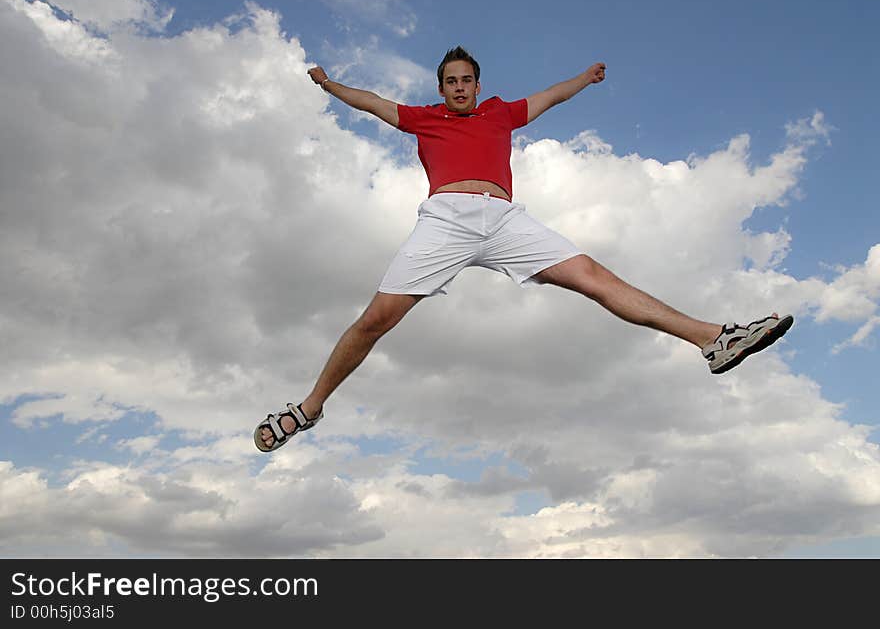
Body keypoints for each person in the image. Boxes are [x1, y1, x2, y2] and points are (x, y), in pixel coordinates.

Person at [254, 46, 793, 452]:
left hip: (506, 219)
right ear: (440, 88)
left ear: (478, 84)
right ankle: (309, 408)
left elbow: (552, 95)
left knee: (594, 276)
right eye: (451, 82)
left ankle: (714, 341)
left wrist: (585, 78)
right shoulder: (424, 118)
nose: (459, 88)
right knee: (375, 320)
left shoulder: (499, 112)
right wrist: (330, 86)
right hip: (445, 219)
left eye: (466, 80)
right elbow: (371, 102)